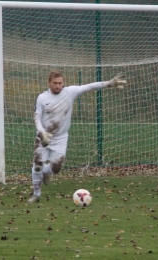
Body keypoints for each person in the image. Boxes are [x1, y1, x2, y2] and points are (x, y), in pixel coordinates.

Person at [28, 70, 127, 203]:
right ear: (49, 83)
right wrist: (42, 132)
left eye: (60, 83)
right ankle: (36, 194)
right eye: (55, 83)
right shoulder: (42, 98)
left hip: (61, 138)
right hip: (43, 137)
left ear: (63, 83)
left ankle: (46, 172)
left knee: (56, 169)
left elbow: (89, 86)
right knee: (37, 165)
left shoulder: (69, 92)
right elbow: (37, 118)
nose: (58, 86)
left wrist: (110, 83)